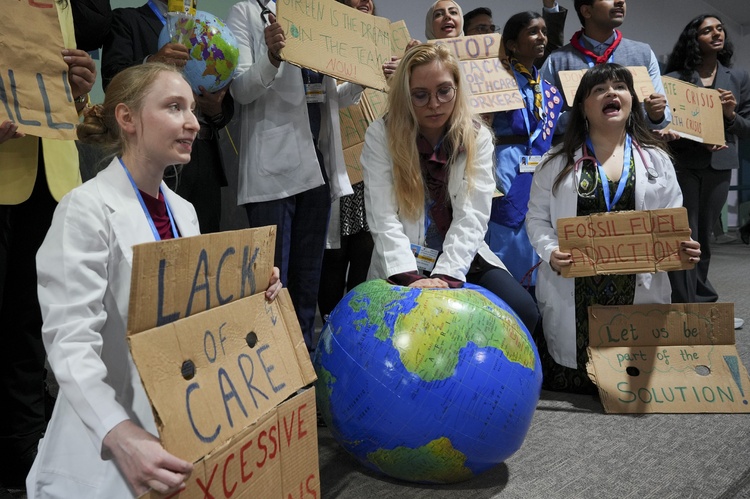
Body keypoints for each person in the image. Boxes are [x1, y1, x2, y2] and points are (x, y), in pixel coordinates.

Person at [26, 63, 282, 498]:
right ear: (127, 119)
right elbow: (69, 344)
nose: (192, 121)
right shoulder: (84, 210)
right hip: (107, 439)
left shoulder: (185, 212)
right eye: (173, 107)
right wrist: (119, 433)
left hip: (178, 426)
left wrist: (249, 294)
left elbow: (192, 323)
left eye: (191, 108)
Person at [526, 63, 701, 393]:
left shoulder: (657, 160)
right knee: (576, 377)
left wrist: (683, 246)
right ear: (583, 107)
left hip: (637, 285)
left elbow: (672, 218)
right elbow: (536, 218)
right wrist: (550, 252)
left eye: (620, 87)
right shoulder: (554, 162)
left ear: (631, 100)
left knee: (631, 378)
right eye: (599, 89)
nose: (611, 92)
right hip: (575, 288)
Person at [361, 43, 540, 335]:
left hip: (459, 259)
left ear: (457, 88)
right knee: (397, 330)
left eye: (444, 91)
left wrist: (445, 276)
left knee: (522, 311)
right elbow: (382, 216)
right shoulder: (381, 134)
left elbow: (473, 216)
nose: (434, 104)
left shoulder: (477, 136)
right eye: (421, 95)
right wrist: (410, 277)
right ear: (405, 95)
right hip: (402, 259)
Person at [226, 0, 363, 351]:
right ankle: (272, 372)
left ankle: (302, 366)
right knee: (272, 285)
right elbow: (240, 89)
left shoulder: (316, 14)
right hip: (273, 173)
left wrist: (366, 76)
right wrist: (271, 57)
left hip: (316, 167)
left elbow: (333, 95)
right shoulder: (245, 11)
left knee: (307, 286)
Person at [0, 0, 96, 492]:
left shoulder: (58, 3)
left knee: (31, 329)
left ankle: (25, 459)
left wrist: (77, 91)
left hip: (52, 178)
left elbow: (56, 97)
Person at [102, 0, 233, 233]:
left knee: (205, 243)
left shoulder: (204, 27)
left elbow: (225, 106)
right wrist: (152, 63)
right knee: (154, 239)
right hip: (152, 155)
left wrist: (216, 109)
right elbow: (112, 81)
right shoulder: (128, 20)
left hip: (203, 154)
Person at [663, 15, 750, 321]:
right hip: (684, 163)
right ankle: (682, 303)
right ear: (694, 39)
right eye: (707, 30)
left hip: (720, 165)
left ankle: (703, 302)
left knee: (706, 236)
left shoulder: (738, 78)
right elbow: (666, 123)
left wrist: (728, 115)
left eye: (720, 29)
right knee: (685, 234)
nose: (717, 33)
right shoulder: (674, 78)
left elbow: (746, 128)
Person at [486, 11, 563, 294]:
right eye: (532, 31)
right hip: (505, 166)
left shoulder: (551, 92)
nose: (541, 37)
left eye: (543, 31)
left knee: (537, 227)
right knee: (507, 231)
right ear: (512, 44)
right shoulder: (495, 81)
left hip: (539, 168)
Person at [318, 0, 380, 320]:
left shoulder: (384, 46)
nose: (365, 3)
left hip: (375, 172)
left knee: (365, 252)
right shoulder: (324, 43)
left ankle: (353, 324)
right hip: (339, 168)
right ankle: (330, 324)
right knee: (335, 253)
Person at [540, 0, 671, 135]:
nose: (620, 1)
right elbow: (541, 118)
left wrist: (655, 115)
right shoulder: (557, 60)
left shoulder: (643, 54)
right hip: (576, 152)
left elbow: (664, 116)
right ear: (587, 11)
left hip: (630, 151)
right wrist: (582, 116)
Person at [463, 2, 568, 68]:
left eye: (492, 28)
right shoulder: (455, 66)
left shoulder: (511, 62)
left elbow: (551, 48)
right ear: (464, 35)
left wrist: (550, 5)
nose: (490, 33)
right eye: (481, 29)